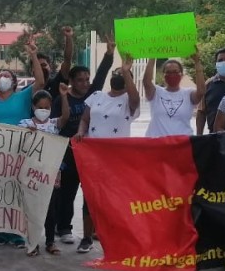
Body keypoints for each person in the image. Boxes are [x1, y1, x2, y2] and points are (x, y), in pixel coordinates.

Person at [50, 35, 116, 248]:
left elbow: (103, 73)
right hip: (68, 152)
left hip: (90, 153)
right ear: (71, 81)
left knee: (91, 193)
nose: (85, 83)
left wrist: (109, 53)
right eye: (80, 80)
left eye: (87, 79)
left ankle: (92, 231)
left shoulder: (94, 94)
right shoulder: (62, 98)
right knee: (67, 193)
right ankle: (64, 229)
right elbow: (56, 123)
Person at [72, 54, 140, 253]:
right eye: (117, 73)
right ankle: (86, 237)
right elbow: (85, 119)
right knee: (90, 197)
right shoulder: (96, 96)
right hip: (93, 155)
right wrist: (81, 131)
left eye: (123, 74)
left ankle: (115, 237)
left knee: (115, 197)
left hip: (118, 158)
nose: (118, 75)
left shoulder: (129, 99)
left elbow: (135, 98)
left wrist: (127, 72)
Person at [0, 40, 45, 246]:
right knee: (0, 193)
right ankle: (2, 233)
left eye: (7, 76)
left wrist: (34, 57)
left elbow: (39, 81)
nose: (2, 78)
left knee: (19, 195)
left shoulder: (22, 97)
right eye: (0, 75)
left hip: (19, 152)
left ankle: (18, 234)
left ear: (14, 82)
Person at [19, 84, 70, 256]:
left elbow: (66, 117)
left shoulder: (54, 124)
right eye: (40, 107)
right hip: (31, 173)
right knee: (32, 209)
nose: (43, 110)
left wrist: (63, 97)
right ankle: (32, 243)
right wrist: (26, 132)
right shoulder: (24, 123)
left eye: (46, 107)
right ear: (33, 107)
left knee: (50, 209)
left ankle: (50, 241)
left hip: (51, 172)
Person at [143, 54, 205, 138]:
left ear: (181, 74)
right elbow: (146, 81)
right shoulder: (156, 92)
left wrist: (197, 62)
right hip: (157, 144)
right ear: (163, 75)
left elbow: (201, 91)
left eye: (175, 72)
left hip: (182, 145)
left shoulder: (188, 93)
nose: (172, 75)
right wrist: (152, 56)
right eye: (168, 72)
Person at [196, 48, 225, 135]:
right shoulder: (209, 84)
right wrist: (199, 136)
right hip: (215, 136)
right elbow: (201, 112)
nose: (223, 63)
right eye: (220, 60)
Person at [38, 26, 74, 99]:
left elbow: (67, 60)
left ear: (50, 66)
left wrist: (68, 37)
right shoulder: (27, 91)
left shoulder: (58, 83)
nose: (41, 68)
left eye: (44, 65)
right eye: (37, 66)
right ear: (31, 70)